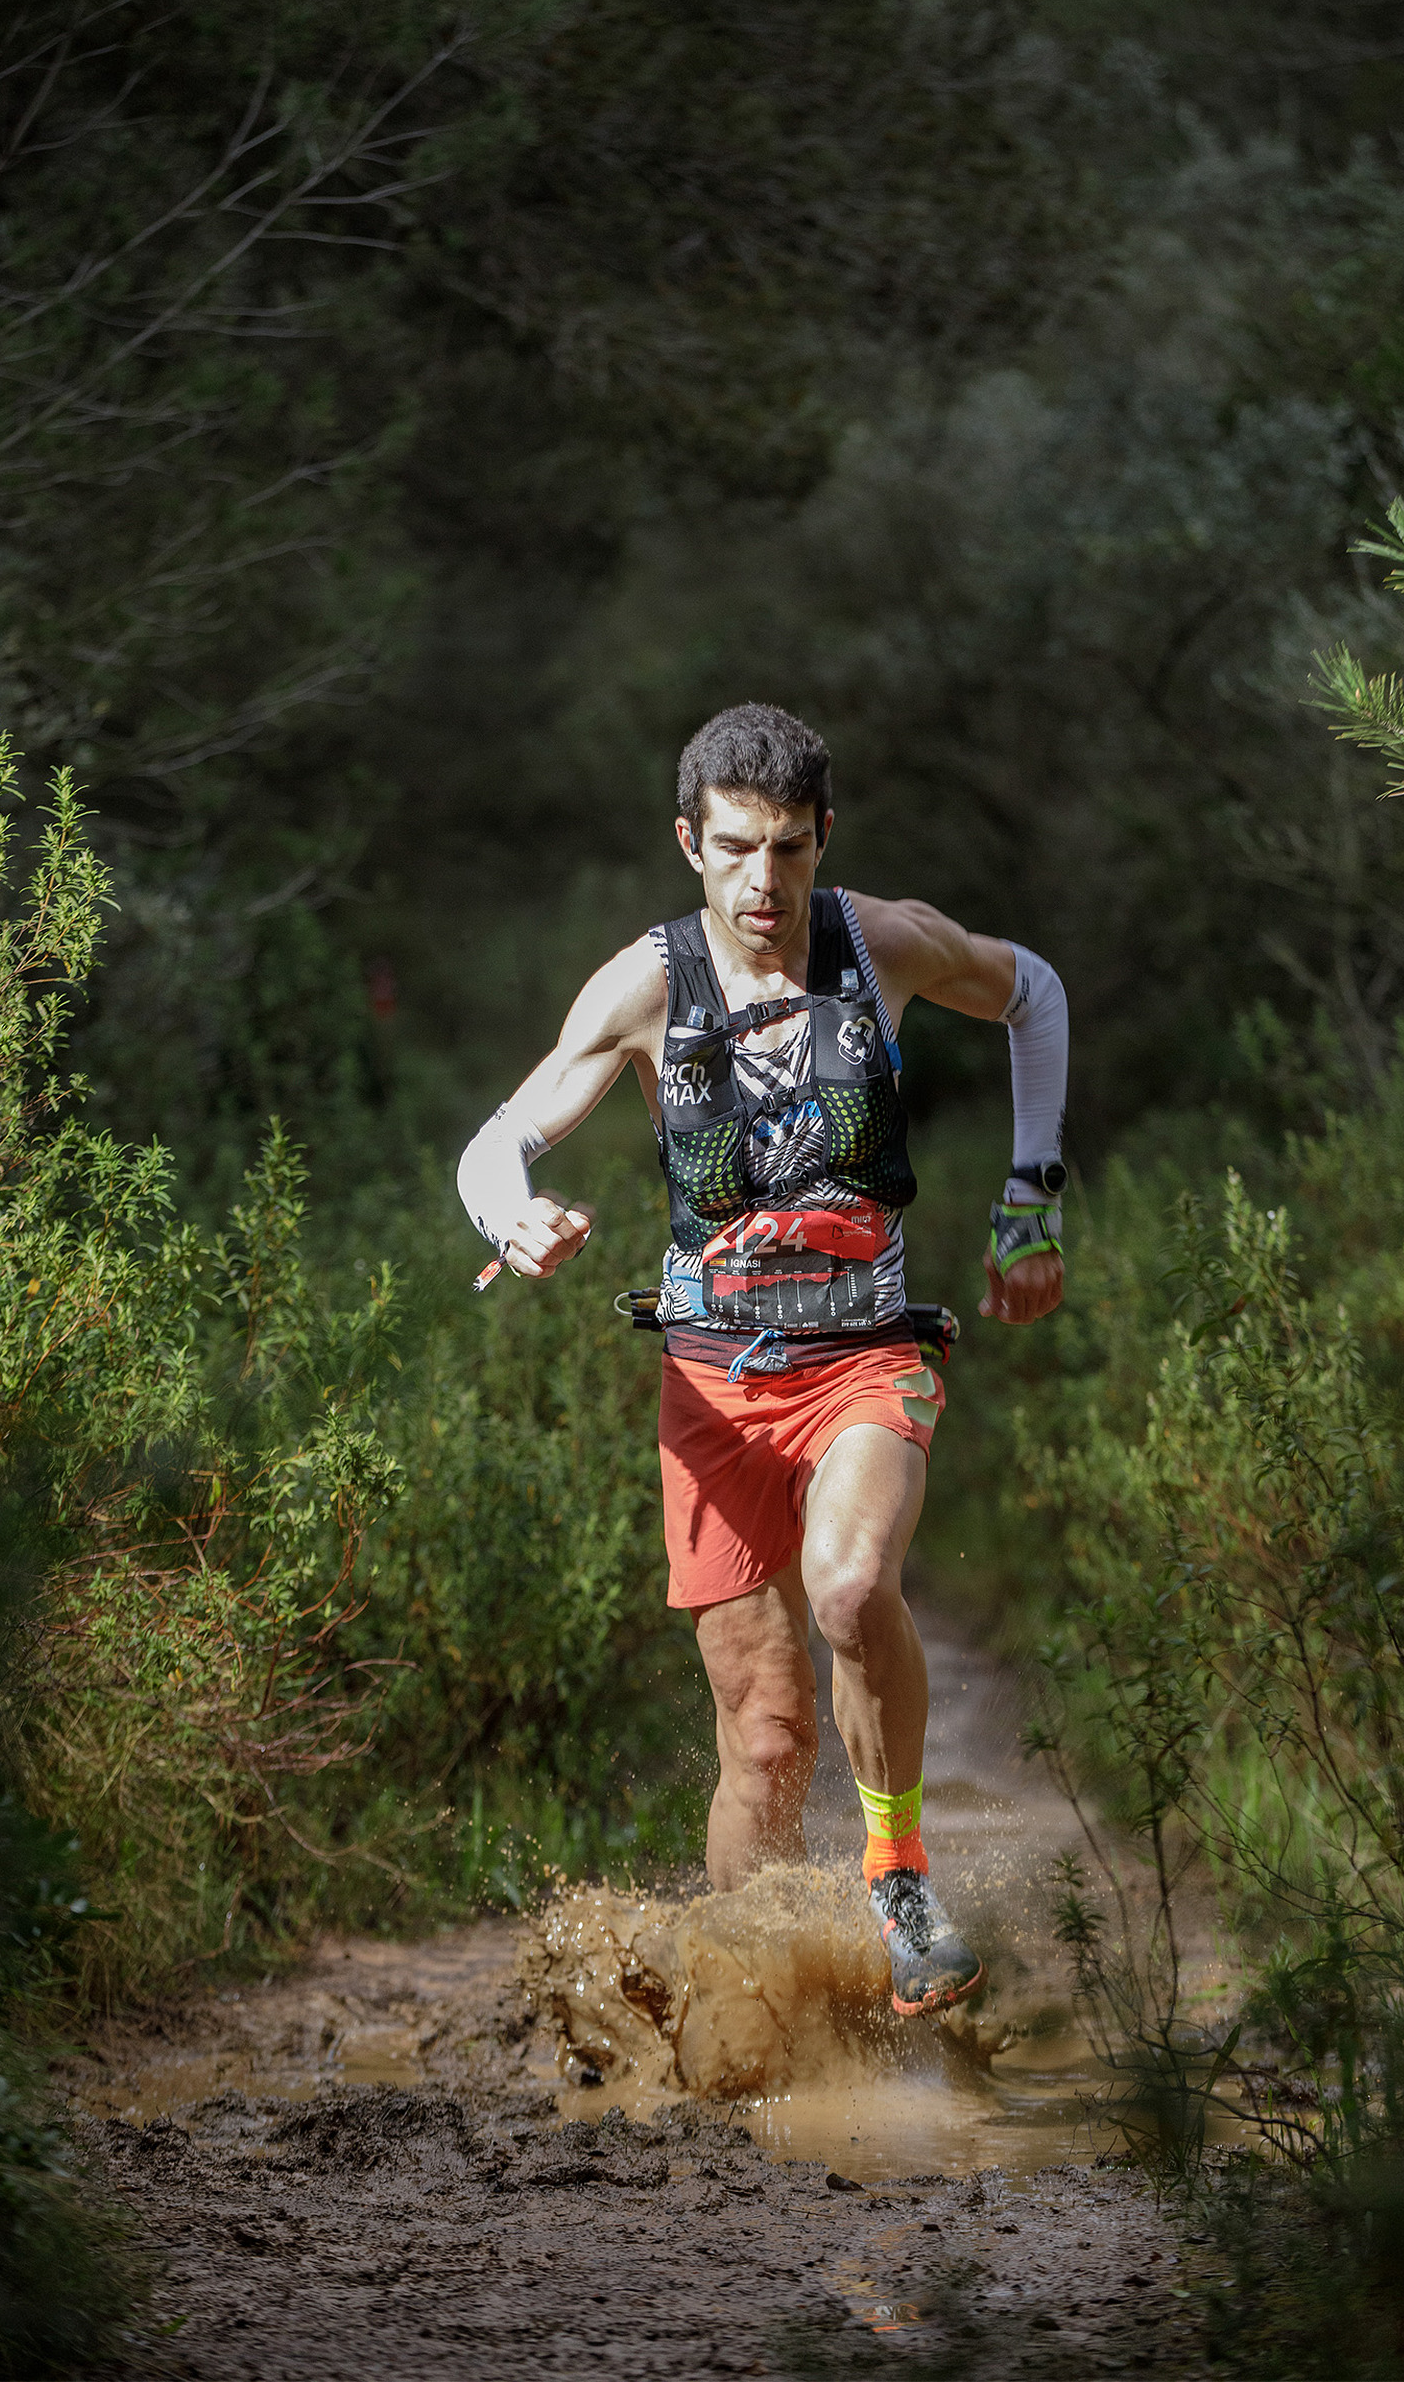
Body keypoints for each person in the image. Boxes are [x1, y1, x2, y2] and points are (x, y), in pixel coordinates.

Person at [457, 703, 1067, 2016]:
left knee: (850, 1586)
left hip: (865, 1357)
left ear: (823, 835)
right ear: (690, 842)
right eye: (735, 848)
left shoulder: (882, 944)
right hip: (715, 1384)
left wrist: (1032, 1198)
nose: (764, 883)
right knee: (768, 1735)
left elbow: (1035, 995)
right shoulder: (646, 986)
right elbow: (497, 1143)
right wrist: (516, 1219)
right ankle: (756, 2010)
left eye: (789, 847)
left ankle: (898, 1876)